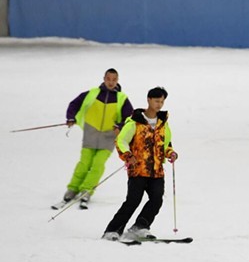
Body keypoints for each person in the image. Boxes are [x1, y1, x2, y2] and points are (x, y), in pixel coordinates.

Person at [102, 87, 177, 241]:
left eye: (162, 101)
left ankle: (140, 226)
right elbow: (121, 140)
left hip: (156, 170)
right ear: (149, 100)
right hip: (138, 169)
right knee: (133, 201)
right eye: (157, 101)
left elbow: (166, 143)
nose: (159, 104)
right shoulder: (135, 122)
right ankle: (113, 230)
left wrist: (170, 153)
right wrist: (128, 155)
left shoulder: (163, 123)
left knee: (157, 199)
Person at [53, 68, 133, 210]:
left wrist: (119, 125)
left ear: (117, 81)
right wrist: (71, 117)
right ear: (104, 79)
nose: (111, 82)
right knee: (84, 163)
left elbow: (129, 117)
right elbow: (74, 104)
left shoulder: (122, 98)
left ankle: (87, 190)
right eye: (109, 79)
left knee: (98, 164)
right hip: (90, 133)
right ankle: (72, 189)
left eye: (114, 80)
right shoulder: (92, 94)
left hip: (108, 137)